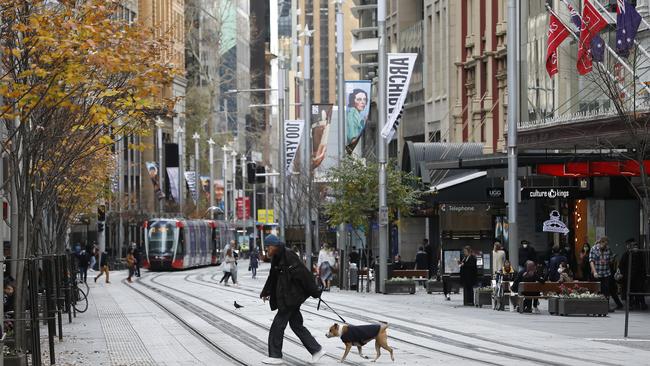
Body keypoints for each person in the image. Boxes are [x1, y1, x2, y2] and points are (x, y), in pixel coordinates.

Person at [260, 234, 325, 365]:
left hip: (291, 298)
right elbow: (273, 276)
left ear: (274, 246)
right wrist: (266, 291)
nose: (267, 250)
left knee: (277, 326)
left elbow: (304, 274)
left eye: (268, 247)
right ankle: (316, 349)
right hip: (287, 297)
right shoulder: (277, 257)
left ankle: (275, 355)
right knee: (296, 325)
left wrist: (315, 291)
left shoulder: (289, 256)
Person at [590, 237, 618, 312]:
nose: (605, 246)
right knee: (597, 291)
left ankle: (606, 307)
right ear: (600, 242)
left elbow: (610, 260)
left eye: (606, 245)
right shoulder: (594, 249)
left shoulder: (608, 249)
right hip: (597, 272)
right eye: (604, 244)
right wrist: (594, 271)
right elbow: (591, 261)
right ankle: (597, 307)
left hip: (606, 273)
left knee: (606, 290)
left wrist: (613, 259)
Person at [620, 239, 648, 310]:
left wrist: (644, 276)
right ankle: (633, 304)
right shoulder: (627, 254)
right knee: (634, 291)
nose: (635, 247)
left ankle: (638, 304)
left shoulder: (638, 254)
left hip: (635, 277)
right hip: (630, 277)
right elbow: (622, 266)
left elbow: (643, 266)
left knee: (637, 291)